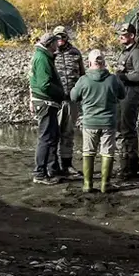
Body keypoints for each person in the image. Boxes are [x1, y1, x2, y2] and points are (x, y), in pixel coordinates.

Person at [70, 48, 127, 193]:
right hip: (108, 122)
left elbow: (73, 97)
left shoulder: (83, 80)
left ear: (89, 63)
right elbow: (123, 95)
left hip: (89, 122)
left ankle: (87, 184)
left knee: (88, 152)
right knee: (107, 152)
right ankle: (105, 184)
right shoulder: (113, 79)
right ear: (104, 62)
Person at [27, 28, 69, 184]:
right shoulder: (42, 58)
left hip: (46, 102)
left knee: (53, 136)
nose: (57, 45)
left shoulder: (42, 56)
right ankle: (39, 173)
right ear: (50, 44)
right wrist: (61, 93)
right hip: (46, 102)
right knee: (46, 138)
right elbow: (44, 85)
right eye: (54, 43)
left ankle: (52, 169)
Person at [114, 23, 139, 178]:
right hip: (124, 92)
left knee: (127, 130)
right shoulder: (125, 52)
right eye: (120, 34)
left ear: (132, 36)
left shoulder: (137, 53)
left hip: (131, 93)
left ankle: (130, 168)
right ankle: (127, 166)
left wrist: (121, 77)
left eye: (124, 34)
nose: (121, 36)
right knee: (122, 129)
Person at [50, 26, 85, 178]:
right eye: (57, 37)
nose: (60, 40)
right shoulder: (50, 53)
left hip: (71, 100)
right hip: (55, 101)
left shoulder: (75, 53)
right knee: (54, 133)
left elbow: (83, 75)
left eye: (63, 36)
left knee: (68, 133)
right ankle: (53, 165)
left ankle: (67, 164)